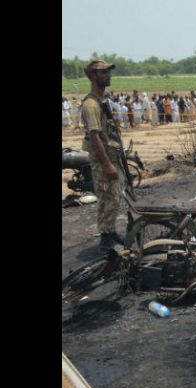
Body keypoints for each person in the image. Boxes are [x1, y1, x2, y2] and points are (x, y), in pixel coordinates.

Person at [80, 60, 125, 251]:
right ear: (92, 75)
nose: (108, 75)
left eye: (108, 71)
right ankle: (106, 238)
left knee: (113, 197)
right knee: (108, 197)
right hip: (102, 161)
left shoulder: (101, 100)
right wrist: (108, 165)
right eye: (103, 72)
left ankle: (110, 232)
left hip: (109, 156)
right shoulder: (91, 105)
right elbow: (95, 137)